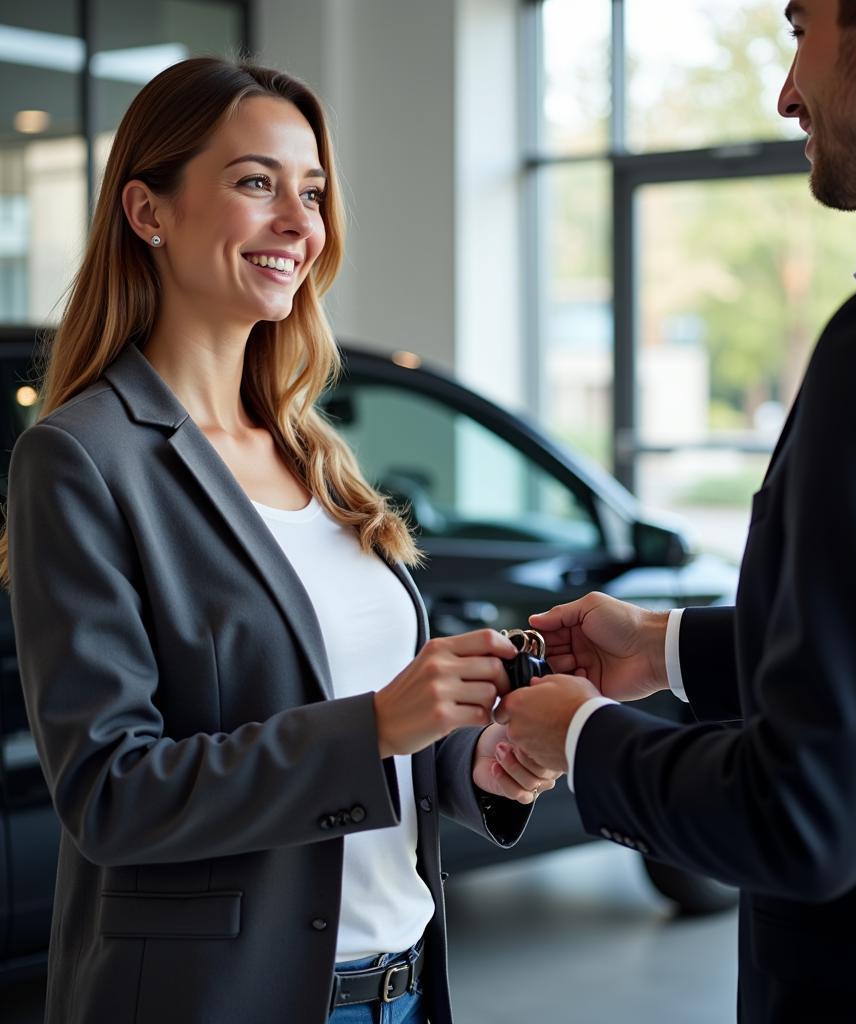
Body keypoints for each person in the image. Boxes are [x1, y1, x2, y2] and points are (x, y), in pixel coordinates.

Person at [1, 57, 559, 1024]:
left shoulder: (311, 451)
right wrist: (378, 725)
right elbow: (111, 794)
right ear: (149, 211)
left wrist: (472, 762)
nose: (301, 225)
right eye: (256, 183)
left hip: (401, 990)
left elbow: (353, 734)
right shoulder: (81, 460)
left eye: (312, 191)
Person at [496, 1, 856, 1021]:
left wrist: (583, 739)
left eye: (798, 28)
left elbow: (807, 817)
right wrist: (664, 648)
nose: (787, 90)